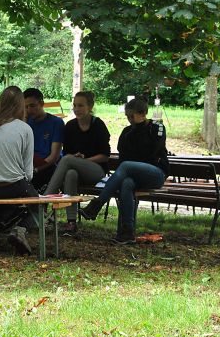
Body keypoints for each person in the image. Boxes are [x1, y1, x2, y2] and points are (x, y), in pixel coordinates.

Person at [79, 98, 169, 244]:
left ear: (144, 113)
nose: (130, 120)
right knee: (126, 183)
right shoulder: (127, 132)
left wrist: (139, 130)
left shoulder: (156, 127)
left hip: (156, 173)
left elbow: (152, 152)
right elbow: (123, 155)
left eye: (132, 116)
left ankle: (97, 204)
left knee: (127, 166)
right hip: (134, 175)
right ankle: (126, 232)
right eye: (127, 116)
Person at [0, 86, 38, 255]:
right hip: (12, 185)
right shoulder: (24, 128)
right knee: (38, 202)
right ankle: (19, 230)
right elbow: (28, 172)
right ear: (20, 106)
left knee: (7, 201)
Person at [43, 91, 111, 235]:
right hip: (76, 168)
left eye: (81, 105)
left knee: (67, 161)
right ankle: (71, 222)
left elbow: (105, 155)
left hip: (96, 170)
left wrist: (83, 160)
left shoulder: (98, 125)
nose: (77, 109)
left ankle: (45, 199)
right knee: (70, 174)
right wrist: (75, 157)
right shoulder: (71, 126)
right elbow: (68, 153)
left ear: (90, 106)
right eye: (74, 105)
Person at [23, 88, 65, 192]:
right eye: (25, 107)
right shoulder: (25, 123)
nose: (29, 110)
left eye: (32, 106)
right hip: (27, 166)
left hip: (47, 166)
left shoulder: (56, 123)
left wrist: (35, 170)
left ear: (41, 104)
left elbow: (54, 156)